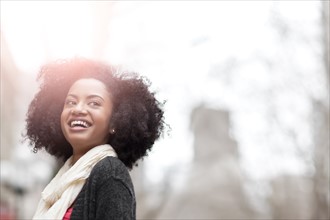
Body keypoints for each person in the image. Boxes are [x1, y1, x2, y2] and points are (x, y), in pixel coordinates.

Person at [24, 57, 166, 220]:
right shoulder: (62, 181)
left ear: (115, 120)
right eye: (71, 102)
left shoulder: (110, 173)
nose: (78, 109)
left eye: (93, 103)